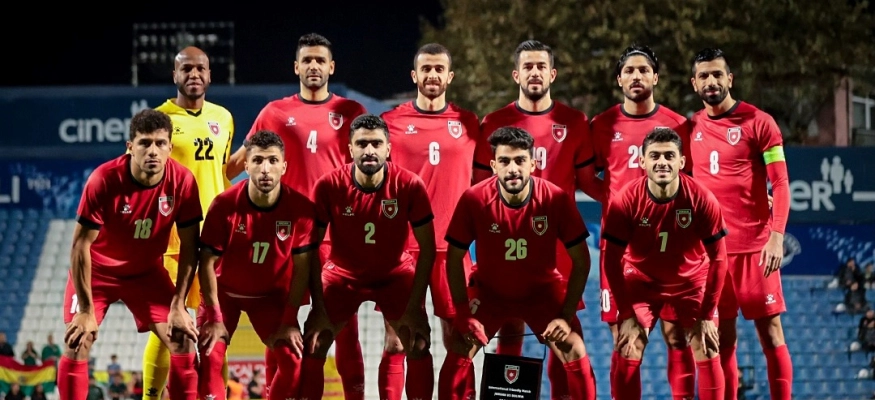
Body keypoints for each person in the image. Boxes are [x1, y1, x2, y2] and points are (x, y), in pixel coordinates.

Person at [225, 33, 368, 399]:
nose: (313, 66)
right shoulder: (273, 113)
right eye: (307, 60)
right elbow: (234, 166)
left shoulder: (351, 113)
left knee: (343, 328)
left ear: (331, 67)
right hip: (284, 237)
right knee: (279, 330)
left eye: (320, 60)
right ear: (296, 67)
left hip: (335, 236)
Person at [473, 39, 603, 399]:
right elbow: (479, 187)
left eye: (541, 66)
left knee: (564, 334)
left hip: (557, 248)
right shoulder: (494, 123)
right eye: (527, 66)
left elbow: (590, 182)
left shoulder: (575, 123)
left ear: (552, 74)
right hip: (507, 247)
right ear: (516, 74)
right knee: (509, 331)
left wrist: (632, 201)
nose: (534, 72)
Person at [439, 126, 596, 400]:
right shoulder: (474, 198)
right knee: (459, 348)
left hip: (541, 293)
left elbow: (581, 260)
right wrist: (463, 313)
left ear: (533, 164)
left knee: (575, 348)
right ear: (493, 166)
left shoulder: (554, 198)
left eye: (520, 160)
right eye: (504, 161)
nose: (512, 168)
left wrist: (565, 314)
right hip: (490, 293)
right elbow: (453, 258)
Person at [59, 109, 202, 400]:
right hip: (98, 273)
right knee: (78, 341)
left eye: (160, 143)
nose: (153, 151)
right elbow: (80, 246)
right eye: (144, 143)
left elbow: (191, 245)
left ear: (170, 147)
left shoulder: (183, 181)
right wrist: (85, 310)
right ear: (130, 147)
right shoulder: (104, 179)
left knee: (184, 340)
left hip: (147, 274)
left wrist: (178, 304)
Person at [299, 114, 437, 400]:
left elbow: (428, 247)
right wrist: (318, 307)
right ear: (351, 149)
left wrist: (415, 306)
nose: (369, 150)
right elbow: (310, 248)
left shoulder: (409, 184)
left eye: (376, 143)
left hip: (394, 274)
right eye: (362, 144)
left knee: (418, 342)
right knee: (313, 342)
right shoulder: (328, 186)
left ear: (388, 148)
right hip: (343, 275)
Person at [590, 44, 696, 400]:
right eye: (630, 71)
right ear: (619, 79)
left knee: (677, 335)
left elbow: (695, 181)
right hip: (622, 250)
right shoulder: (601, 125)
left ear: (656, 77)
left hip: (670, 248)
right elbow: (585, 177)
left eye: (644, 70)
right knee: (627, 339)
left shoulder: (679, 125)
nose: (637, 76)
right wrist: (616, 201)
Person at [688, 48, 793, 400]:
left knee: (771, 333)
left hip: (754, 250)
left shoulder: (760, 122)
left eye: (717, 74)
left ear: (730, 79)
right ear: (694, 83)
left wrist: (776, 237)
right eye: (704, 76)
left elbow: (780, 183)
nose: (711, 81)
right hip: (711, 254)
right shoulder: (690, 127)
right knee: (720, 339)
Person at [379, 42, 480, 399]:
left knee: (460, 338)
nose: (432, 75)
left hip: (453, 249)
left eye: (439, 69)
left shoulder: (469, 124)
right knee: (400, 340)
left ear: (450, 77)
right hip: (403, 250)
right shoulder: (390, 123)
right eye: (426, 69)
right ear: (414, 75)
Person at [601, 127, 728, 400]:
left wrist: (707, 315)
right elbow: (610, 260)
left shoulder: (701, 198)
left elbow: (719, 259)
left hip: (691, 281)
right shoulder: (625, 200)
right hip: (641, 281)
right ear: (642, 161)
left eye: (669, 156)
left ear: (681, 162)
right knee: (628, 344)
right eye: (655, 156)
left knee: (707, 343)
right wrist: (627, 315)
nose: (662, 162)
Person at [196, 130, 319, 400]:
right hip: (224, 295)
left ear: (284, 167)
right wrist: (214, 318)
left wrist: (289, 320)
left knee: (293, 362)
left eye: (273, 161)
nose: (265, 169)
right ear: (246, 165)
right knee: (211, 355)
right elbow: (206, 263)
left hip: (270, 299)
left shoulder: (301, 209)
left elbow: (303, 270)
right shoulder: (224, 205)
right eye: (258, 160)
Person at [143, 46, 236, 400]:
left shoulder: (224, 118)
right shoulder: (158, 119)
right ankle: (150, 395)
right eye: (186, 69)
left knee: (215, 328)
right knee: (170, 323)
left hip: (216, 237)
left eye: (200, 69)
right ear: (175, 75)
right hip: (174, 239)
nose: (194, 74)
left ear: (210, 75)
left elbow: (222, 171)